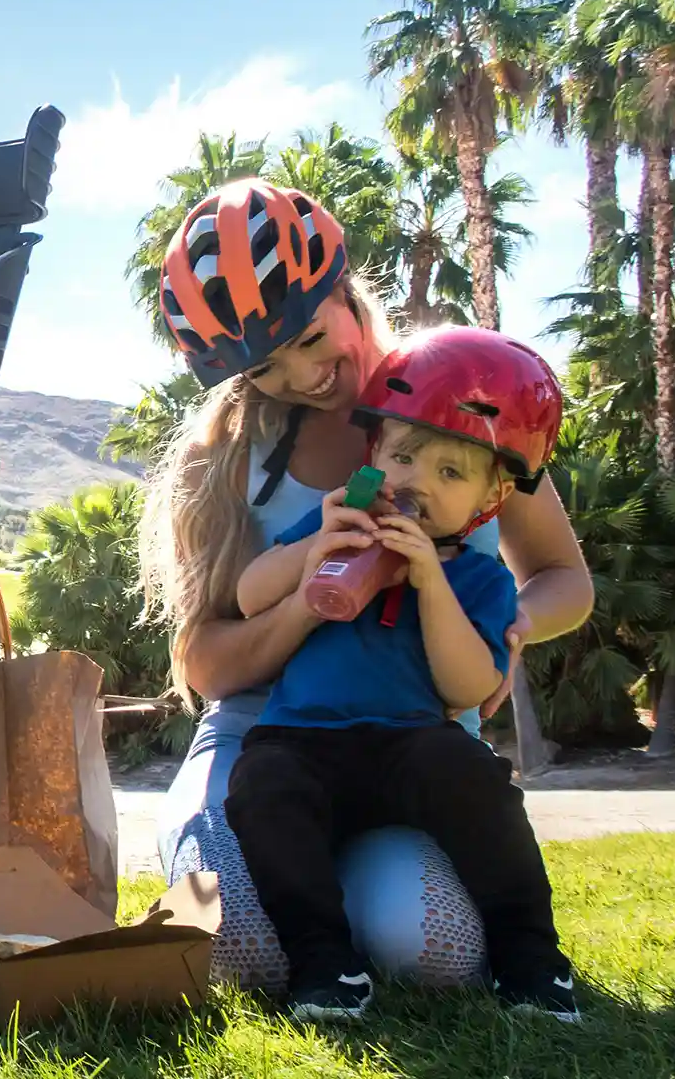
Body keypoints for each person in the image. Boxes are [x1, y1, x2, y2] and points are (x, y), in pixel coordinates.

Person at [138, 177, 593, 992]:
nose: (304, 376)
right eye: (266, 368)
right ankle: (219, 853)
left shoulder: (469, 402)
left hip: (412, 739)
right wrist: (309, 605)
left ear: (346, 293)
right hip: (261, 743)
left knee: (440, 956)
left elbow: (566, 580)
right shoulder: (228, 455)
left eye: (311, 338)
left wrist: (500, 630)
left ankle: (355, 892)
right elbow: (204, 662)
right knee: (241, 949)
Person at [223, 327, 577, 1023]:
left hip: (409, 742)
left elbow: (467, 688)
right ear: (372, 453)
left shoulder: (477, 577)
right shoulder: (336, 529)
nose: (417, 481)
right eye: (404, 457)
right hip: (303, 739)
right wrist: (314, 549)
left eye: (451, 473)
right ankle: (324, 963)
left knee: (477, 781)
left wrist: (429, 583)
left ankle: (530, 957)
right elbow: (247, 596)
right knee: (263, 787)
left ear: (489, 498)